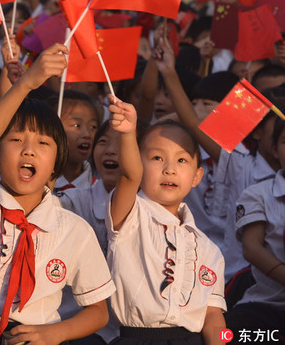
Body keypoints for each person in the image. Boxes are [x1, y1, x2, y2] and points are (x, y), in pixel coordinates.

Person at [0, 43, 114, 344]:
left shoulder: (73, 229)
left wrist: (54, 333)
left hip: (39, 335)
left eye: (43, 143)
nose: (28, 149)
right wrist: (27, 82)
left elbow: (98, 312)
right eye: (15, 139)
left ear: (57, 160)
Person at [106, 96, 227, 343]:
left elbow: (213, 316)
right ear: (140, 166)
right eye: (157, 158)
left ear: (197, 176)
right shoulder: (131, 215)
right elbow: (129, 176)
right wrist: (128, 133)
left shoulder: (208, 249)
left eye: (181, 160)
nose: (169, 168)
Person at [224, 118, 285, 338]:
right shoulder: (258, 194)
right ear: (274, 150)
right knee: (225, 334)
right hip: (266, 306)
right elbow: (252, 248)